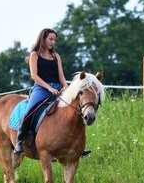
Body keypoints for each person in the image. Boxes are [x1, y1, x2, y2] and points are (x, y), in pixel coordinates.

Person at [13, 28, 91, 158]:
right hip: (41, 89)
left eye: (54, 39)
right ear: (43, 39)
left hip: (58, 89)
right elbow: (34, 76)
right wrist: (49, 88)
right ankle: (19, 141)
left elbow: (61, 77)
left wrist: (65, 86)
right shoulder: (34, 55)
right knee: (30, 111)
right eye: (50, 39)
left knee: (75, 111)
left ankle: (78, 147)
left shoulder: (56, 56)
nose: (53, 42)